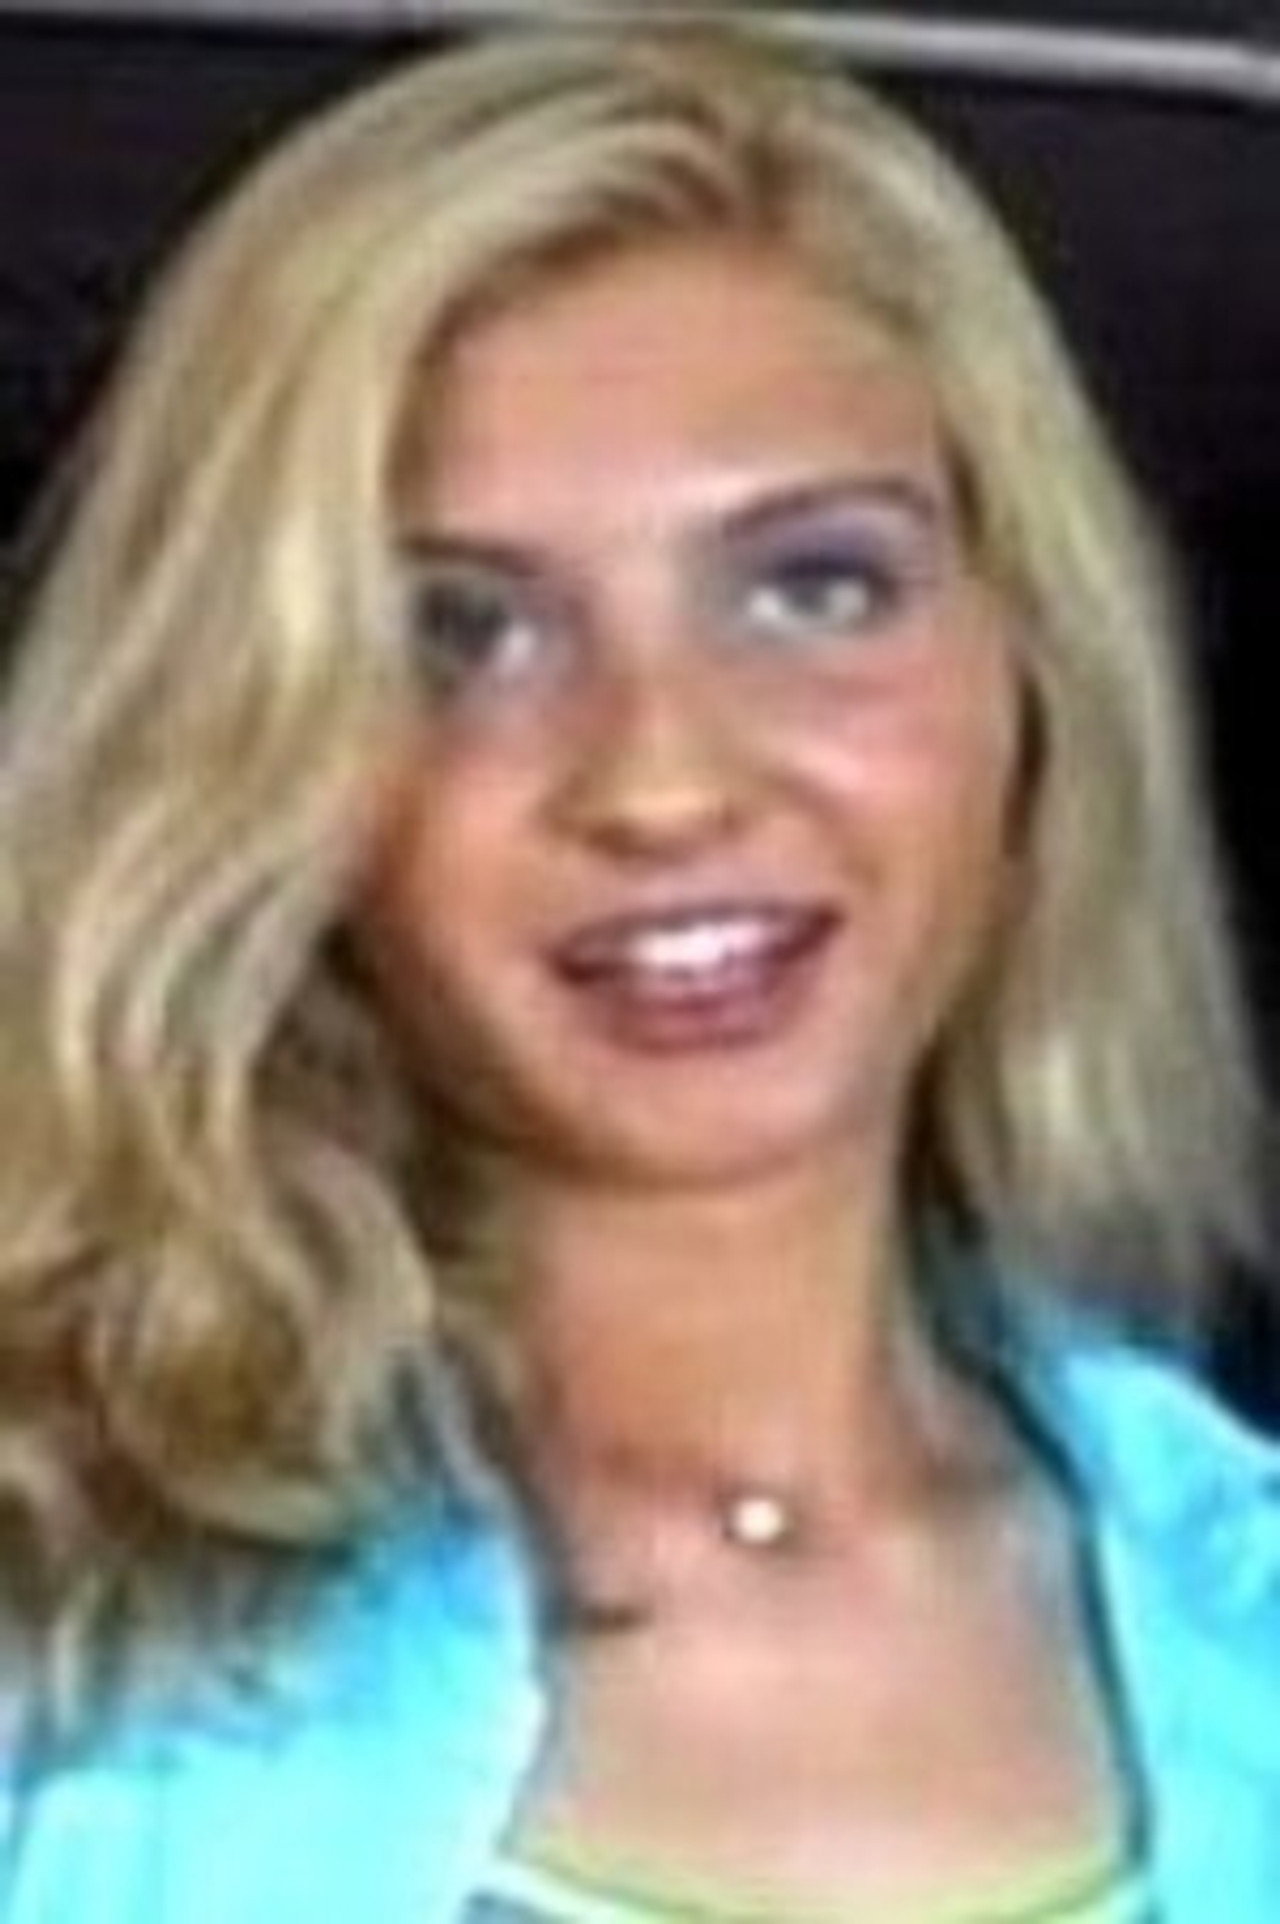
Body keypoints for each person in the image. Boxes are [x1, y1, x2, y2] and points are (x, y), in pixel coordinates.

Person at [0, 19, 1275, 1921]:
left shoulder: (1241, 1604)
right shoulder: (56, 1635)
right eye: (461, 637)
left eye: (816, 586)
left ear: (1032, 667)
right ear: (266, 750)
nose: (661, 781)